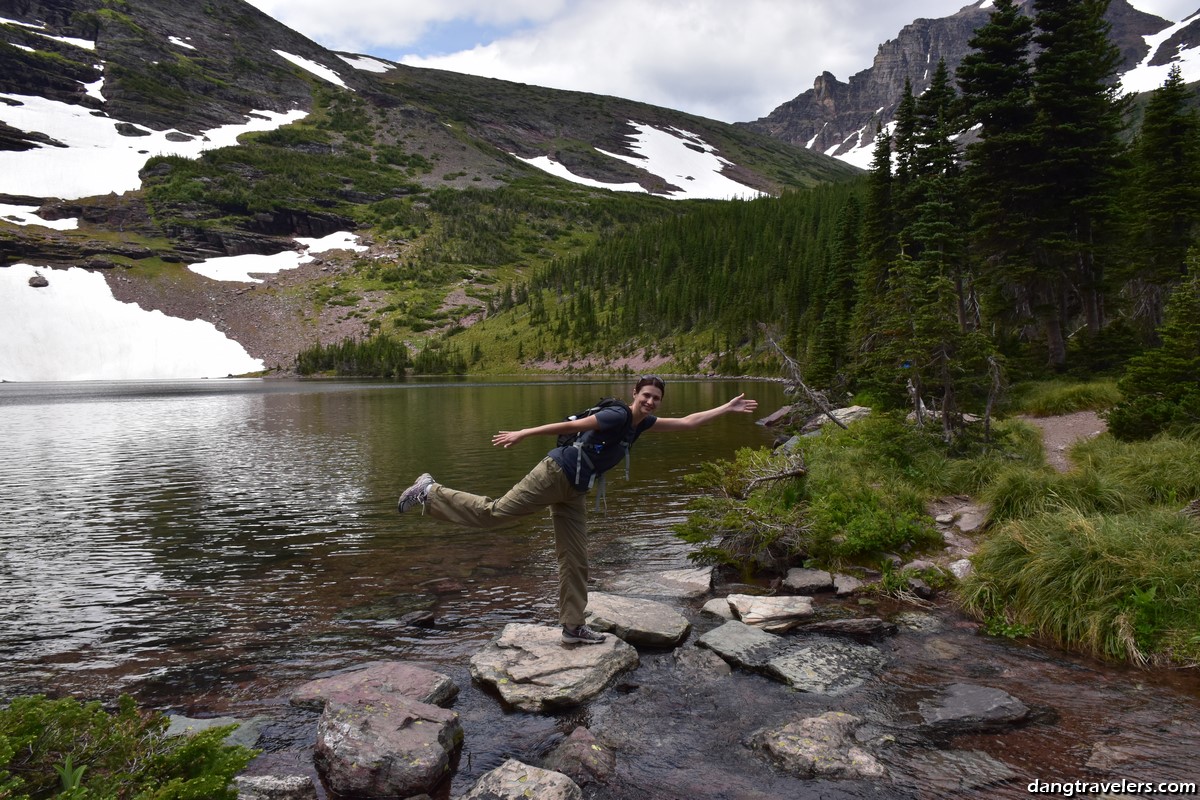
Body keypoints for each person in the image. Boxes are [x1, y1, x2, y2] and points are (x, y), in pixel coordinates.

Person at [396, 376, 758, 644]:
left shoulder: (641, 423)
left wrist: (726, 407)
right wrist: (524, 432)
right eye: (646, 396)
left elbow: (688, 422)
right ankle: (430, 491)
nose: (650, 403)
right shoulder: (617, 416)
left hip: (576, 489)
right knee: (497, 513)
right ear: (635, 393)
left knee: (575, 557)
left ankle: (572, 627)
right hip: (555, 473)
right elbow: (572, 426)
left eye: (656, 399)